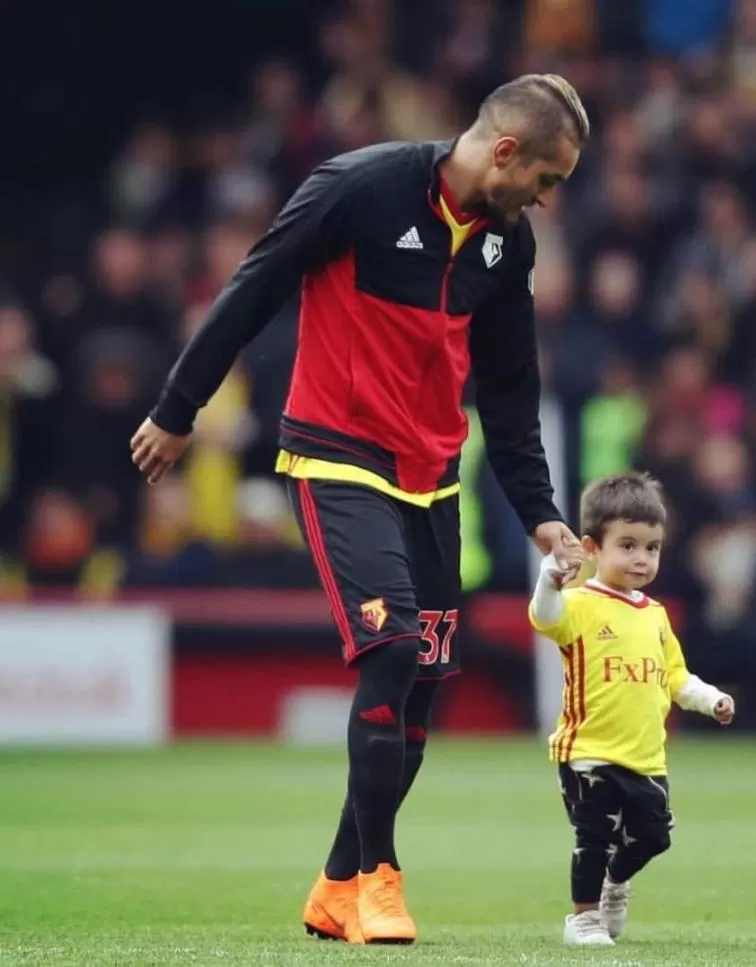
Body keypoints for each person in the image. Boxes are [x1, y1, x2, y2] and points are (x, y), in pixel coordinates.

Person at [130, 74, 590, 945]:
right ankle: (381, 878)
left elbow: (509, 390)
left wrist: (541, 512)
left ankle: (338, 881)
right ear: (505, 151)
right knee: (391, 650)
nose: (547, 197)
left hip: (433, 474)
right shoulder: (359, 189)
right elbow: (255, 287)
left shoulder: (508, 245)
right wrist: (177, 408)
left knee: (421, 691)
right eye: (547, 177)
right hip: (337, 455)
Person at [528, 471, 735, 946]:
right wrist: (550, 579)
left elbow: (676, 676)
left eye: (652, 548)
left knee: (654, 837)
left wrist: (711, 699)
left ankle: (614, 885)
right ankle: (583, 919)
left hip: (645, 756)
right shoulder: (578, 602)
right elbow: (544, 617)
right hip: (589, 751)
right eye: (628, 545)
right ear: (593, 547)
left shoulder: (656, 615)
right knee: (594, 837)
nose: (641, 558)